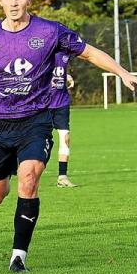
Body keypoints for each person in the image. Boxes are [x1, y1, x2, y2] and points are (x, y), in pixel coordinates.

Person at [0, 0, 137, 273]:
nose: (14, 3)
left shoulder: (50, 31)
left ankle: (18, 256)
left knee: (29, 178)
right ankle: (7, 171)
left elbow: (90, 52)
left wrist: (122, 72)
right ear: (0, 1)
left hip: (36, 120)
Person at [50, 52, 76, 188]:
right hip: (42, 105)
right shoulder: (40, 50)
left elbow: (60, 71)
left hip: (61, 103)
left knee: (65, 137)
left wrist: (68, 76)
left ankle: (62, 176)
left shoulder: (65, 53)